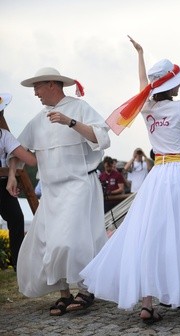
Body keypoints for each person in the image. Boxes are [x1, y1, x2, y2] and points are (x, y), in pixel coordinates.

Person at [80, 36, 180, 324]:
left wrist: (140, 55)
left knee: (149, 232)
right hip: (179, 172)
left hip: (157, 173)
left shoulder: (146, 106)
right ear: (171, 85)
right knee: (177, 232)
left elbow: (141, 86)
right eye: (178, 81)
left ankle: (148, 301)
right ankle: (173, 292)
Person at [9, 67, 110, 316]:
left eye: (38, 87)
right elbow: (18, 151)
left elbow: (101, 138)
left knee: (74, 240)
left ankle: (86, 290)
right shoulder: (38, 120)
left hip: (78, 185)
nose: (35, 93)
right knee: (52, 244)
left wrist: (70, 122)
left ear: (53, 85)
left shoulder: (79, 107)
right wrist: (12, 174)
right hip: (52, 192)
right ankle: (64, 294)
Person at [0, 93, 37, 271]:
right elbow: (30, 160)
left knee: (16, 218)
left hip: (3, 183)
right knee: (16, 219)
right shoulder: (4, 135)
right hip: (3, 183)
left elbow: (28, 160)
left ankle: (17, 264)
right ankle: (17, 264)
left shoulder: (4, 135)